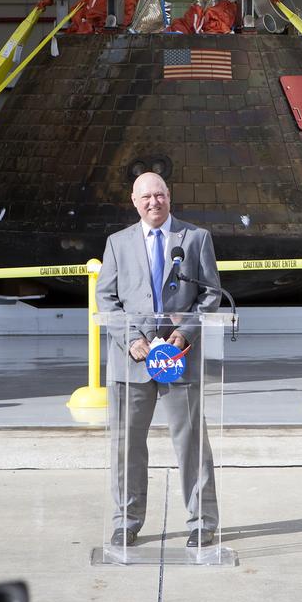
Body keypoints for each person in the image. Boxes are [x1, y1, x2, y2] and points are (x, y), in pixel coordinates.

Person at [95, 172, 222, 548]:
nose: (154, 202)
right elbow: (106, 299)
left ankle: (202, 521)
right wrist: (131, 339)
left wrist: (185, 333)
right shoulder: (117, 244)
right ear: (134, 202)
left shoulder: (195, 239)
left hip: (178, 358)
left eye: (160, 195)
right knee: (127, 445)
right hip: (132, 361)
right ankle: (126, 521)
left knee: (191, 442)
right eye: (146, 197)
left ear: (170, 197)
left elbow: (210, 294)